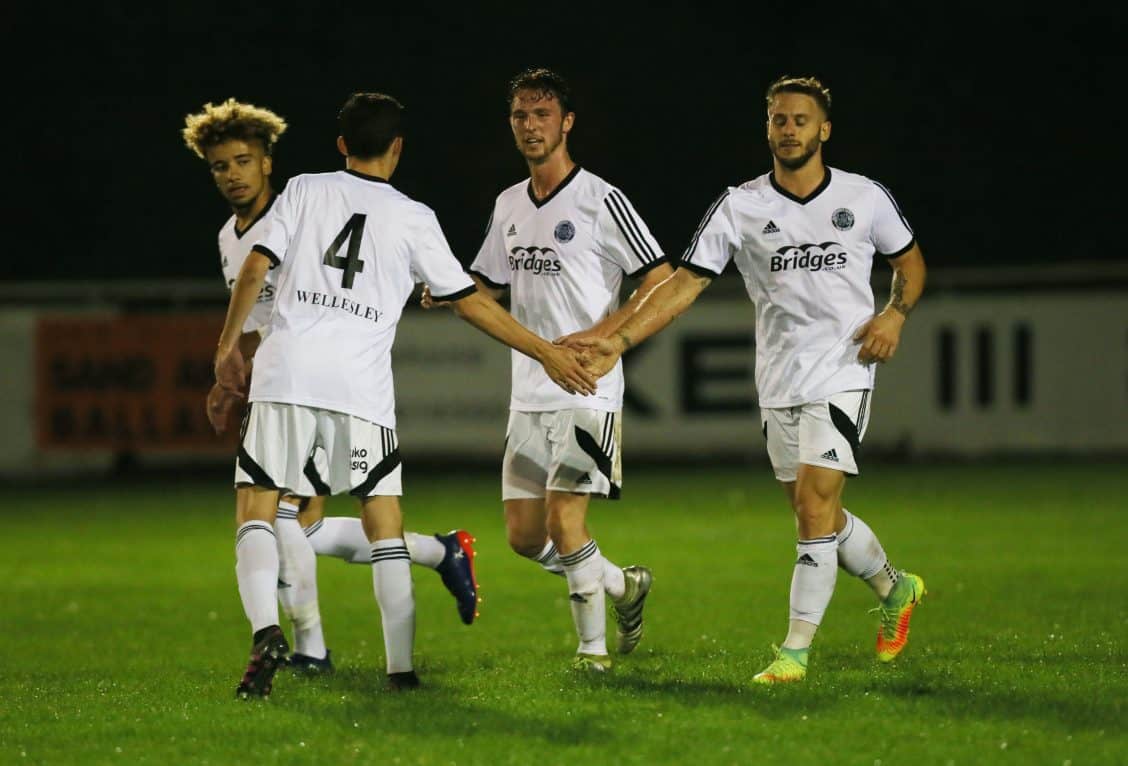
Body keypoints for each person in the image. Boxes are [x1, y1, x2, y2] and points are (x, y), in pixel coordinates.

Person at [210, 91, 594, 697]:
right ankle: (400, 670)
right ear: (398, 148)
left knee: (259, 510)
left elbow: (258, 264)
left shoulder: (305, 189)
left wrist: (226, 348)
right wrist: (544, 350)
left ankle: (267, 630)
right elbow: (469, 301)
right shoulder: (414, 216)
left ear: (341, 146)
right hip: (362, 388)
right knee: (382, 525)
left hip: (287, 376)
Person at [568, 75, 928, 683]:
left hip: (843, 370)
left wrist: (894, 312)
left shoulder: (865, 198)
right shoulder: (741, 205)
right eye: (779, 120)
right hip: (778, 379)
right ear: (768, 128)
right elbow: (684, 282)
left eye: (800, 120)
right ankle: (896, 589)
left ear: (825, 129)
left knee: (815, 509)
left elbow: (910, 265)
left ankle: (794, 653)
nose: (789, 129)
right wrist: (620, 340)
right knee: (820, 516)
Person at [182, 98, 484, 683]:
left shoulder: (304, 204)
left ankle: (312, 646)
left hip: (316, 380)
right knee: (304, 526)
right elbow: (253, 321)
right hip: (285, 379)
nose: (234, 175)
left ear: (268, 162)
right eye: (220, 166)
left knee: (284, 518)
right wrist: (228, 374)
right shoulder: (229, 236)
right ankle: (438, 552)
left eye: (243, 160)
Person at [426, 67, 669, 672]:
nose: (530, 126)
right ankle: (621, 585)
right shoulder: (509, 203)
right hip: (530, 389)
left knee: (566, 521)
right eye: (520, 116)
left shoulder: (601, 199)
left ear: (567, 122)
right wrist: (446, 287)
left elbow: (659, 280)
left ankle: (592, 656)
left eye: (542, 115)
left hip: (587, 385)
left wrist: (600, 335)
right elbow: (485, 284)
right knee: (524, 538)